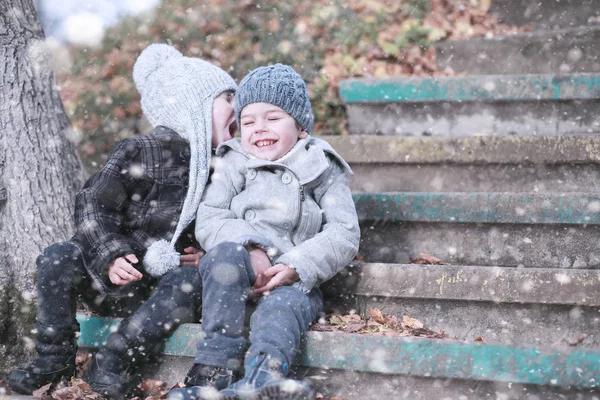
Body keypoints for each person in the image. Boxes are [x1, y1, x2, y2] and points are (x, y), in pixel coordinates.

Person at [8, 43, 238, 400]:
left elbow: (225, 220)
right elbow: (93, 205)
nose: (237, 107)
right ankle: (52, 357)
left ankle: (114, 360)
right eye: (227, 98)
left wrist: (205, 253)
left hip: (159, 292)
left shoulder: (224, 167)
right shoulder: (139, 151)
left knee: (190, 280)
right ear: (192, 103)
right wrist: (111, 255)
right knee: (58, 256)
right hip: (107, 276)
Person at [168, 64, 360, 400]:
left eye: (272, 118)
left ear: (300, 127)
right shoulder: (233, 162)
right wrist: (252, 248)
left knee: (281, 309)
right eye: (248, 121)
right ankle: (212, 371)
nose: (259, 128)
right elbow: (210, 217)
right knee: (223, 257)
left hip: (290, 279)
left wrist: (296, 265)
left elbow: (344, 232)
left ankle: (263, 376)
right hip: (234, 279)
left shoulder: (321, 166)